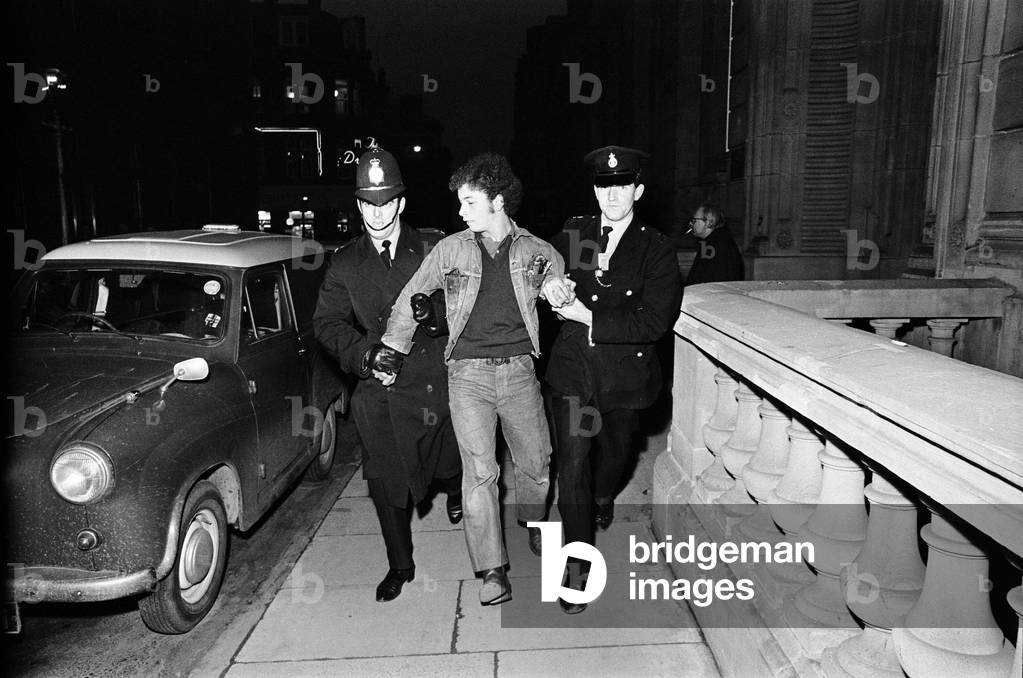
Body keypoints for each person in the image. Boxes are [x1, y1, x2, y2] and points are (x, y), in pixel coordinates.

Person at [372, 152, 565, 606]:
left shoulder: (536, 249)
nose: (460, 212)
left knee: (537, 466)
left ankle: (532, 520)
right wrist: (391, 351)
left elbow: (559, 278)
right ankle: (492, 569)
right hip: (467, 375)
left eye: (469, 202)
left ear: (498, 201)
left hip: (519, 372)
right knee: (480, 474)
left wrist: (559, 287)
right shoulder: (451, 249)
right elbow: (411, 297)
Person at [313, 147, 462, 603]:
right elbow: (327, 323)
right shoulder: (345, 262)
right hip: (380, 386)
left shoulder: (434, 248)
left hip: (431, 378)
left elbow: (465, 304)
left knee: (446, 459)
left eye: (386, 202)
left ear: (400, 203)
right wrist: (366, 354)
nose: (377, 212)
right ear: (358, 205)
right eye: (368, 203)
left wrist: (434, 315)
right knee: (384, 478)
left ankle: (454, 488)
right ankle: (401, 563)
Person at [542, 145, 682, 613]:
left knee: (613, 459)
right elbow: (541, 266)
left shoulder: (657, 248)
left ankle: (605, 495)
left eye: (622, 186)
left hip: (625, 375)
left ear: (638, 190)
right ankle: (576, 570)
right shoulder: (574, 232)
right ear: (595, 189)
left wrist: (585, 314)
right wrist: (550, 285)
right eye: (605, 185)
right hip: (573, 372)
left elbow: (654, 321)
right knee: (572, 467)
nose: (613, 194)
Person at [684, 202, 745, 286]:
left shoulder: (715, 245)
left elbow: (705, 279)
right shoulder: (715, 240)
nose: (692, 224)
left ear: (708, 222)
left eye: (695, 220)